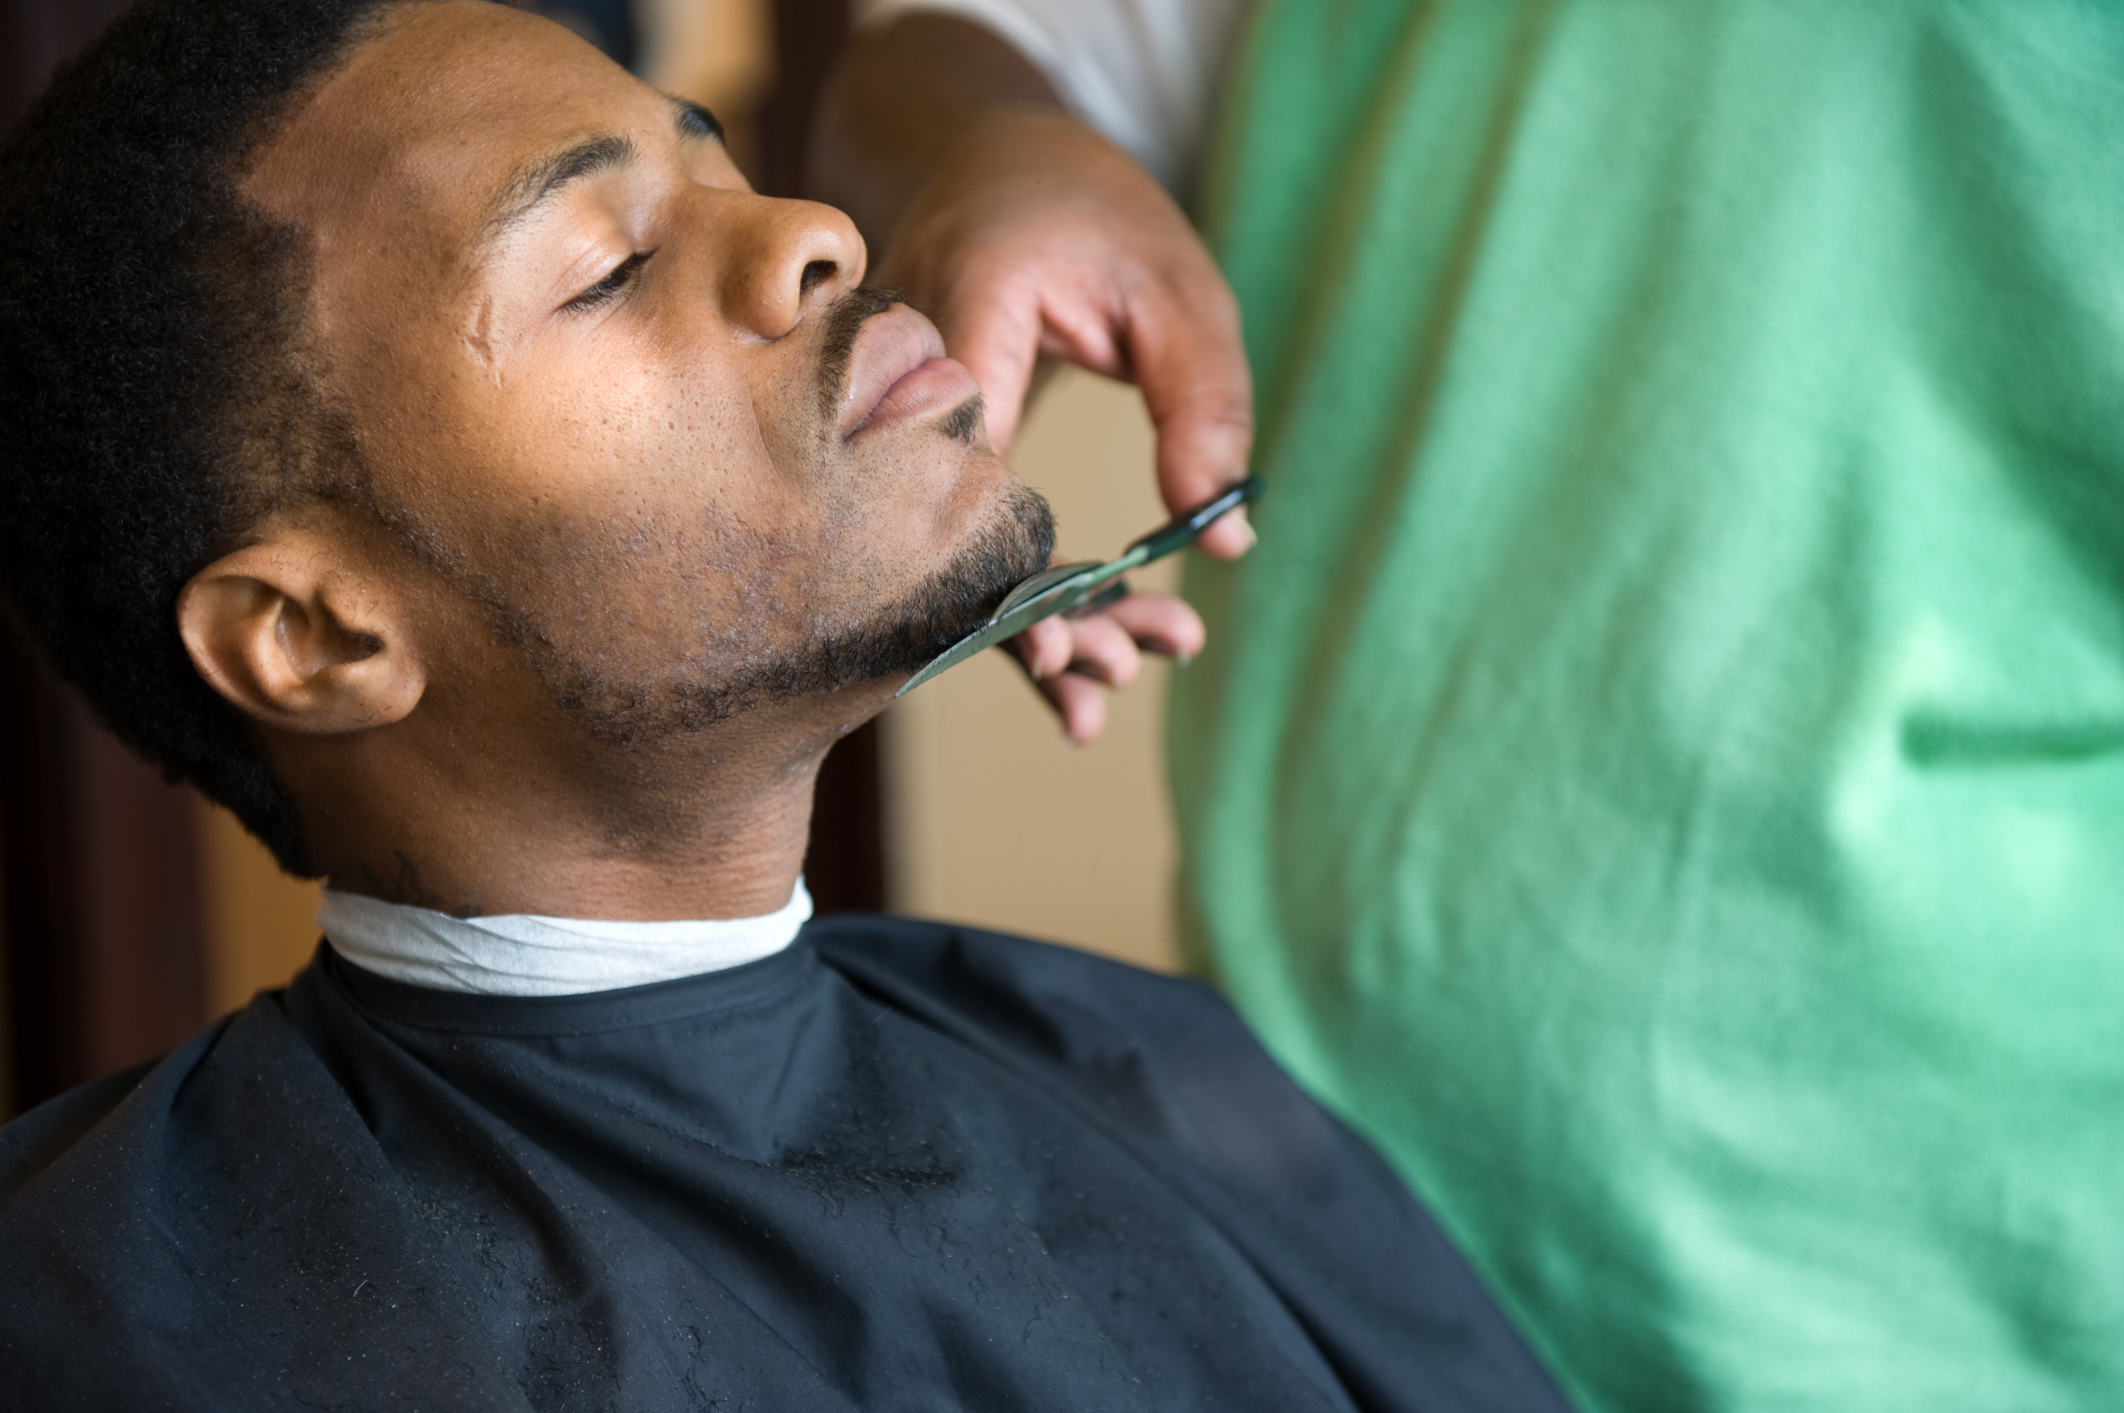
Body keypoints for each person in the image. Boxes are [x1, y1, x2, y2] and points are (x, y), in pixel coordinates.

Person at [0, 1, 1577, 1407]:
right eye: (608, 268)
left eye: (721, 161)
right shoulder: (112, 1320)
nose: (811, 230)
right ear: (319, 637)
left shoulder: (1135, 1060)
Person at [812, 2, 2124, 1410]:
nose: (788, 254)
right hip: (1312, 1231)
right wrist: (996, 144)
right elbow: (943, 61)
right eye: (611, 266)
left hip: (1971, 1294)